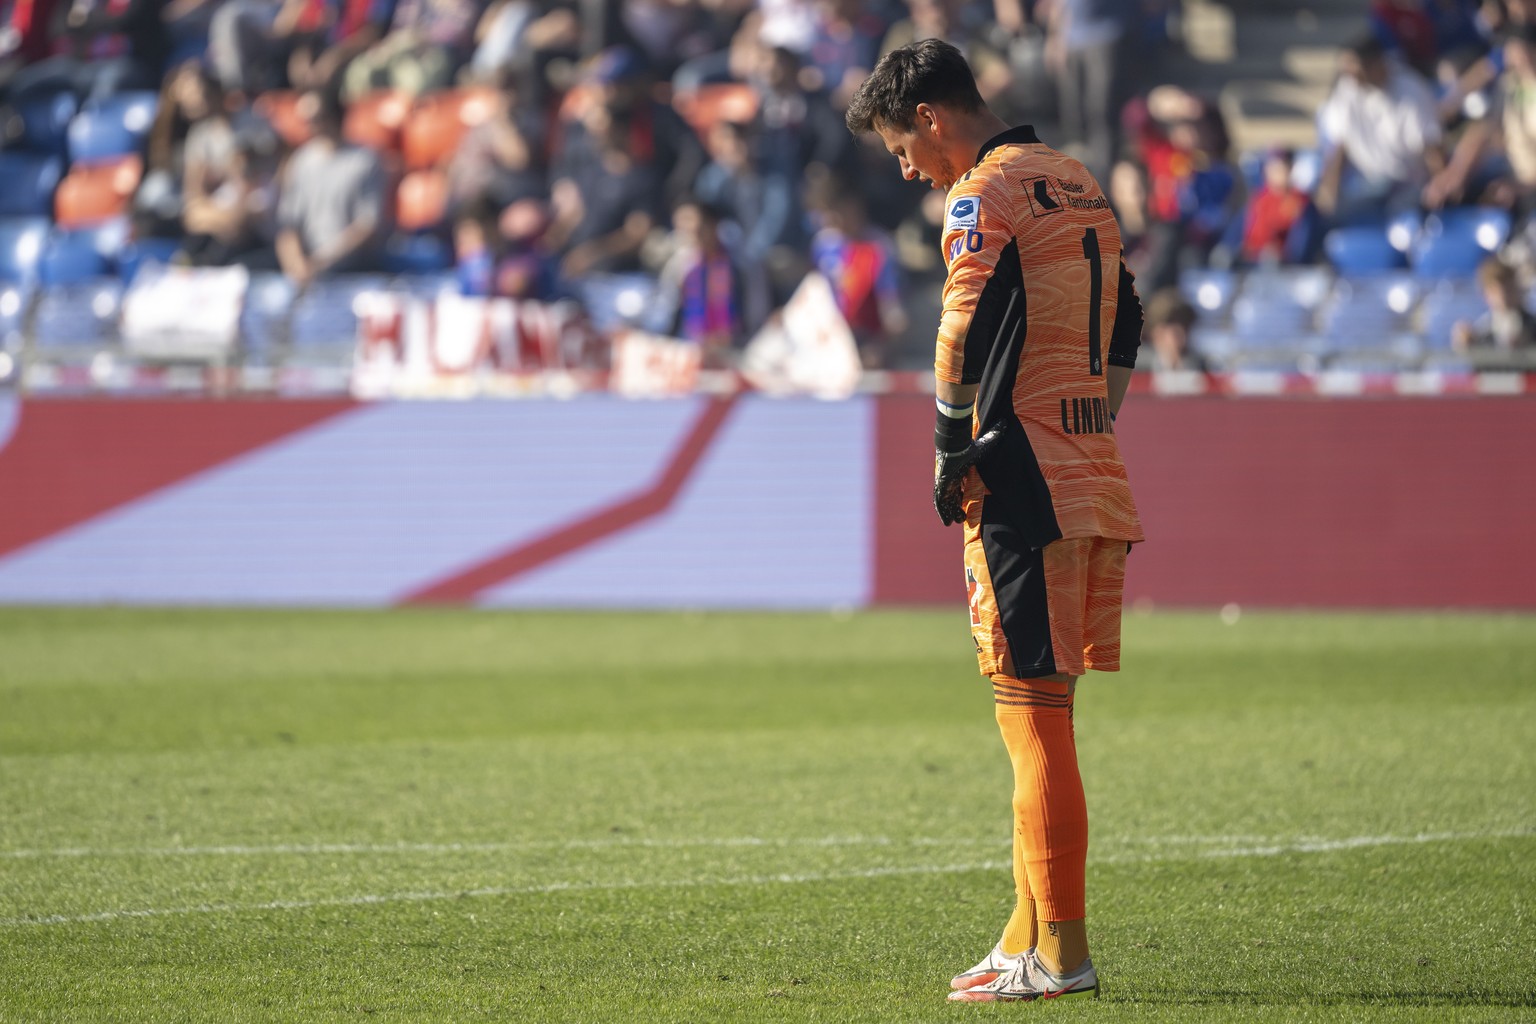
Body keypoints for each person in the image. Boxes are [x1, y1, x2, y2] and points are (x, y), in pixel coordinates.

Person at [845, 38, 1144, 1003]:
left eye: (902, 146)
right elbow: (1127, 317)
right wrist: (1092, 418)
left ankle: (1061, 955)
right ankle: (1024, 935)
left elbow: (961, 322)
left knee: (1033, 721)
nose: (906, 169)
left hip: (1020, 477)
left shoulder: (983, 192)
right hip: (1088, 467)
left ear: (931, 116)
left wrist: (945, 441)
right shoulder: (1074, 177)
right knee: (1041, 711)